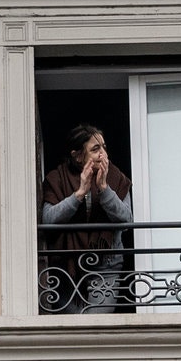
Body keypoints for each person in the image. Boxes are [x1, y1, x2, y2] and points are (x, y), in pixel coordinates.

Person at [37, 124, 133, 312]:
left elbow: (126, 219)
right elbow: (48, 220)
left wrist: (104, 189)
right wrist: (79, 193)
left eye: (104, 147)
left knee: (96, 326)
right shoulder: (57, 178)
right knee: (73, 332)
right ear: (78, 156)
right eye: (95, 149)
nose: (103, 154)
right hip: (66, 268)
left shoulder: (116, 177)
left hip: (106, 266)